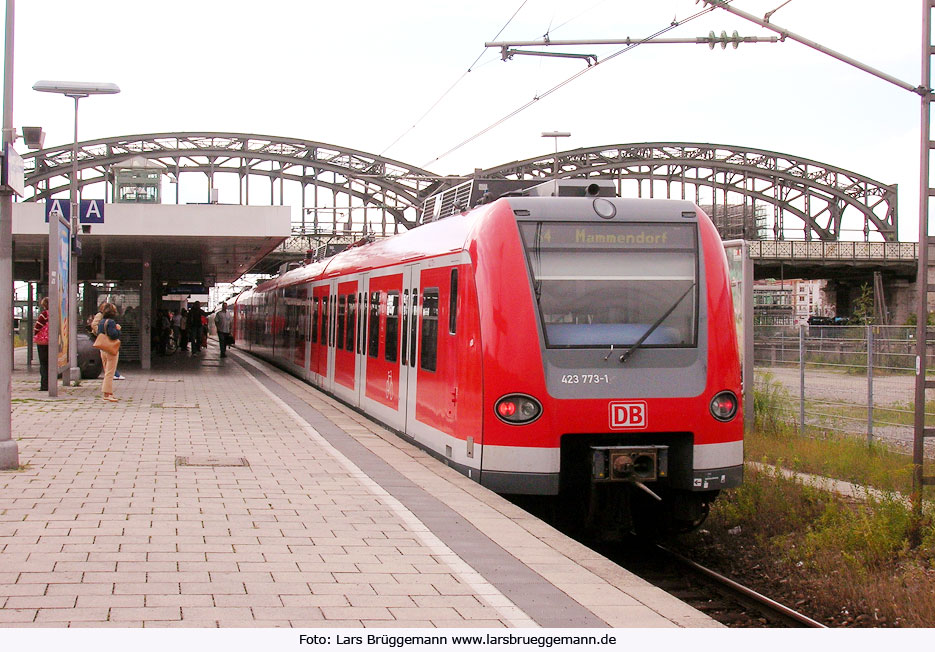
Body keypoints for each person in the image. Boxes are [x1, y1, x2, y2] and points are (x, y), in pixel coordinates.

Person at [92, 301, 126, 380]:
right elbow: (94, 325)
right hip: (106, 341)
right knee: (110, 362)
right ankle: (112, 378)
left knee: (107, 363)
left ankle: (113, 377)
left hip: (103, 341)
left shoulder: (104, 320)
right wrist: (102, 334)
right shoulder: (103, 318)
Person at [98, 303, 121, 402]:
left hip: (103, 348)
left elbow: (99, 333)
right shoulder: (111, 322)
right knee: (110, 372)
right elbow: (114, 335)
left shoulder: (101, 322)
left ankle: (108, 392)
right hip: (111, 348)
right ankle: (107, 393)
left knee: (106, 370)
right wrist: (118, 329)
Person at [33, 297, 50, 391]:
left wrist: (36, 334)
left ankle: (44, 385)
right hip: (52, 341)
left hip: (43, 342)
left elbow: (37, 327)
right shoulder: (56, 314)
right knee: (49, 363)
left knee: (43, 364)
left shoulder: (44, 314)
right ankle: (50, 383)